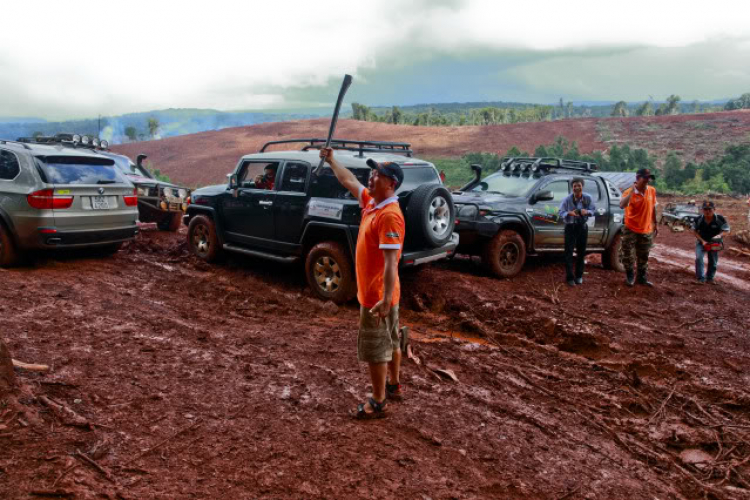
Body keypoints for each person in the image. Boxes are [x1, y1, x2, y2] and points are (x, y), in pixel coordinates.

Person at [319, 147, 406, 419]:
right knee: (391, 340)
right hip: (386, 295)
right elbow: (348, 181)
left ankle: (378, 402)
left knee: (375, 349)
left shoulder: (389, 215)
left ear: (391, 184)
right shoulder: (372, 203)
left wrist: (383, 297)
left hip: (377, 297)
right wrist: (332, 160)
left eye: (377, 175)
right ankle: (393, 385)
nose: (371, 177)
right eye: (372, 172)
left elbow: (392, 262)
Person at [619, 168, 658, 287]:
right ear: (637, 178)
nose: (647, 180)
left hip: (646, 229)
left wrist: (655, 223)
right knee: (628, 254)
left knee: (644, 255)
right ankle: (630, 276)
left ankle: (641, 278)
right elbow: (622, 205)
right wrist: (631, 192)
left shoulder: (651, 191)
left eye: (649, 178)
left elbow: (653, 207)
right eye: (645, 178)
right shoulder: (629, 192)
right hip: (630, 228)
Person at [558, 177, 595, 286]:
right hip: (570, 227)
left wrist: (586, 211)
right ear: (572, 188)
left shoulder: (588, 198)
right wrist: (569, 213)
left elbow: (593, 210)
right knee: (568, 253)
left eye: (579, 185)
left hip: (582, 227)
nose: (577, 188)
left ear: (582, 186)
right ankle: (570, 277)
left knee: (581, 252)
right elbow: (560, 212)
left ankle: (579, 276)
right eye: (575, 186)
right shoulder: (567, 199)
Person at [691, 201, 730, 284]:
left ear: (714, 209)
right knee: (698, 258)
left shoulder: (720, 219)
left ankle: (710, 278)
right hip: (701, 241)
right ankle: (700, 278)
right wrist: (702, 241)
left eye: (710, 209)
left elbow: (726, 230)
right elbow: (694, 231)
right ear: (702, 210)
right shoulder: (698, 219)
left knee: (713, 260)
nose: (707, 211)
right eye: (705, 209)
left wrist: (719, 236)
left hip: (714, 243)